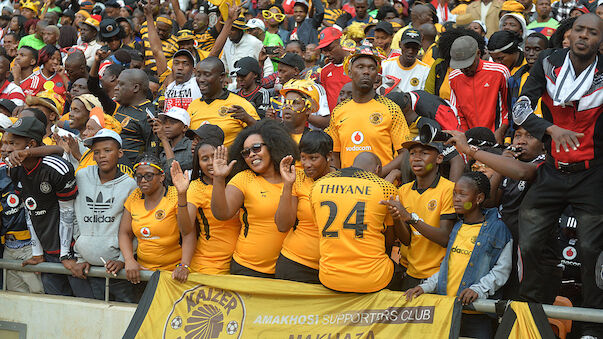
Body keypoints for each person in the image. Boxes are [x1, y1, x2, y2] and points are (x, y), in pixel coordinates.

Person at [512, 14, 603, 337]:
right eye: (579, 30)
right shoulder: (549, 63)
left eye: (592, 33)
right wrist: (549, 129)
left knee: (593, 250)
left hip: (591, 174)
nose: (584, 36)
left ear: (599, 41)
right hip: (552, 170)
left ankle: (592, 325)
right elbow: (520, 108)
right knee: (531, 239)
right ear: (569, 35)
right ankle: (532, 311)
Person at [404, 172, 512, 339]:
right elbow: (448, 268)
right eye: (454, 193)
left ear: (479, 198)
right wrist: (426, 286)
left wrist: (478, 289)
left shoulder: (498, 229)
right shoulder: (457, 227)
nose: (456, 198)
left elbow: (502, 270)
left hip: (477, 313)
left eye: (463, 194)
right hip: (448, 309)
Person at [6, 117, 92, 297]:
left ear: (30, 144)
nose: (7, 148)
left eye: (13, 143)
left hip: (73, 253)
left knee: (84, 307)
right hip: (47, 252)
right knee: (56, 307)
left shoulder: (57, 168)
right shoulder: (14, 169)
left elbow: (68, 213)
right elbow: (30, 212)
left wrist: (66, 254)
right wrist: (38, 252)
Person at [211, 119, 299, 278]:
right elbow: (222, 214)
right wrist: (218, 179)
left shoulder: (294, 178)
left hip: (287, 270)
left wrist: (287, 185)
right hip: (247, 268)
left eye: (256, 148)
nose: (252, 154)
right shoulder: (243, 178)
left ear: (273, 146)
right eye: (246, 152)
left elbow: (285, 224)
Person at [310, 151, 400, 292]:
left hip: (330, 277)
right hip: (373, 279)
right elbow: (390, 239)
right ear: (377, 170)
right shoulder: (385, 188)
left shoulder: (318, 185)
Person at [72, 129, 137, 302]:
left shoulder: (130, 185)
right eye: (97, 152)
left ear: (120, 153)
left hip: (117, 269)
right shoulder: (81, 176)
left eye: (108, 150)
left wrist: (123, 260)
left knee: (124, 313)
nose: (102, 156)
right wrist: (80, 255)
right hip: (88, 268)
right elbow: (74, 213)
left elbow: (133, 227)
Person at [326, 46, 410, 177]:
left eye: (372, 68)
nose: (366, 71)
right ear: (349, 71)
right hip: (348, 186)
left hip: (381, 184)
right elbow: (335, 155)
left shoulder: (391, 109)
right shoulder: (338, 111)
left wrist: (379, 174)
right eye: (360, 67)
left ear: (377, 74)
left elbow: (405, 153)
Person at [118, 154, 196, 284]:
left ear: (161, 177)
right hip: (143, 272)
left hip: (173, 272)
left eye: (149, 176)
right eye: (139, 177)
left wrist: (184, 265)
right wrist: (129, 259)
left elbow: (188, 232)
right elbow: (124, 232)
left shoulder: (174, 195)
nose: (143, 181)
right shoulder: (135, 196)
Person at [275, 131, 335, 283]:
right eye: (303, 158)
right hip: (295, 263)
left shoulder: (342, 182)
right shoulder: (298, 179)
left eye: (313, 158)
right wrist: (287, 185)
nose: (307, 164)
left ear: (329, 156)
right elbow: (282, 225)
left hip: (332, 267)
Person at [184, 124, 241, 274]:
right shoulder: (196, 187)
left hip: (242, 262)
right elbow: (185, 229)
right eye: (204, 159)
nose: (211, 162)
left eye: (215, 156)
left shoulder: (239, 181)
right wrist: (181, 195)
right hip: (208, 265)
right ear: (198, 163)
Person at [449, 36, 510, 143]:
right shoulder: (454, 77)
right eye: (460, 66)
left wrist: (500, 131)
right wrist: (465, 136)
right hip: (469, 139)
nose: (464, 69)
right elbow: (457, 112)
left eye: (468, 64)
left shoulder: (499, 72)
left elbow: (508, 106)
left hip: (497, 136)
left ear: (478, 53)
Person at [187, 57, 259, 147]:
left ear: (222, 77)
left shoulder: (239, 104)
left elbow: (262, 133)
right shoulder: (193, 106)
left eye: (207, 74)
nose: (201, 79)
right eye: (198, 75)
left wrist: (248, 119)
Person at [112, 69, 156, 164]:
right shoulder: (122, 107)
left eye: (121, 84)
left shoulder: (150, 115)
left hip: (133, 172)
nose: (116, 88)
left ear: (135, 88)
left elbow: (152, 151)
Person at [220, 18, 272, 91]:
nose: (229, 32)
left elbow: (268, 66)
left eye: (232, 29)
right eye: (227, 28)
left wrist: (260, 86)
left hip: (249, 86)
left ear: (240, 30)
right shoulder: (226, 41)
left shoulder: (254, 42)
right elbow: (223, 62)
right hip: (232, 85)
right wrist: (225, 76)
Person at [318, 27, 350, 111]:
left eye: (330, 49)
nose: (327, 54)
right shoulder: (325, 71)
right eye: (324, 51)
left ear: (342, 43)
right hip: (333, 121)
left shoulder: (357, 66)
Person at [153, 106, 193, 174]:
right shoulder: (162, 150)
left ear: (184, 128)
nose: (167, 126)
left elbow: (174, 173)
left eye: (172, 122)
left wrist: (164, 139)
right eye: (164, 122)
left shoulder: (191, 147)